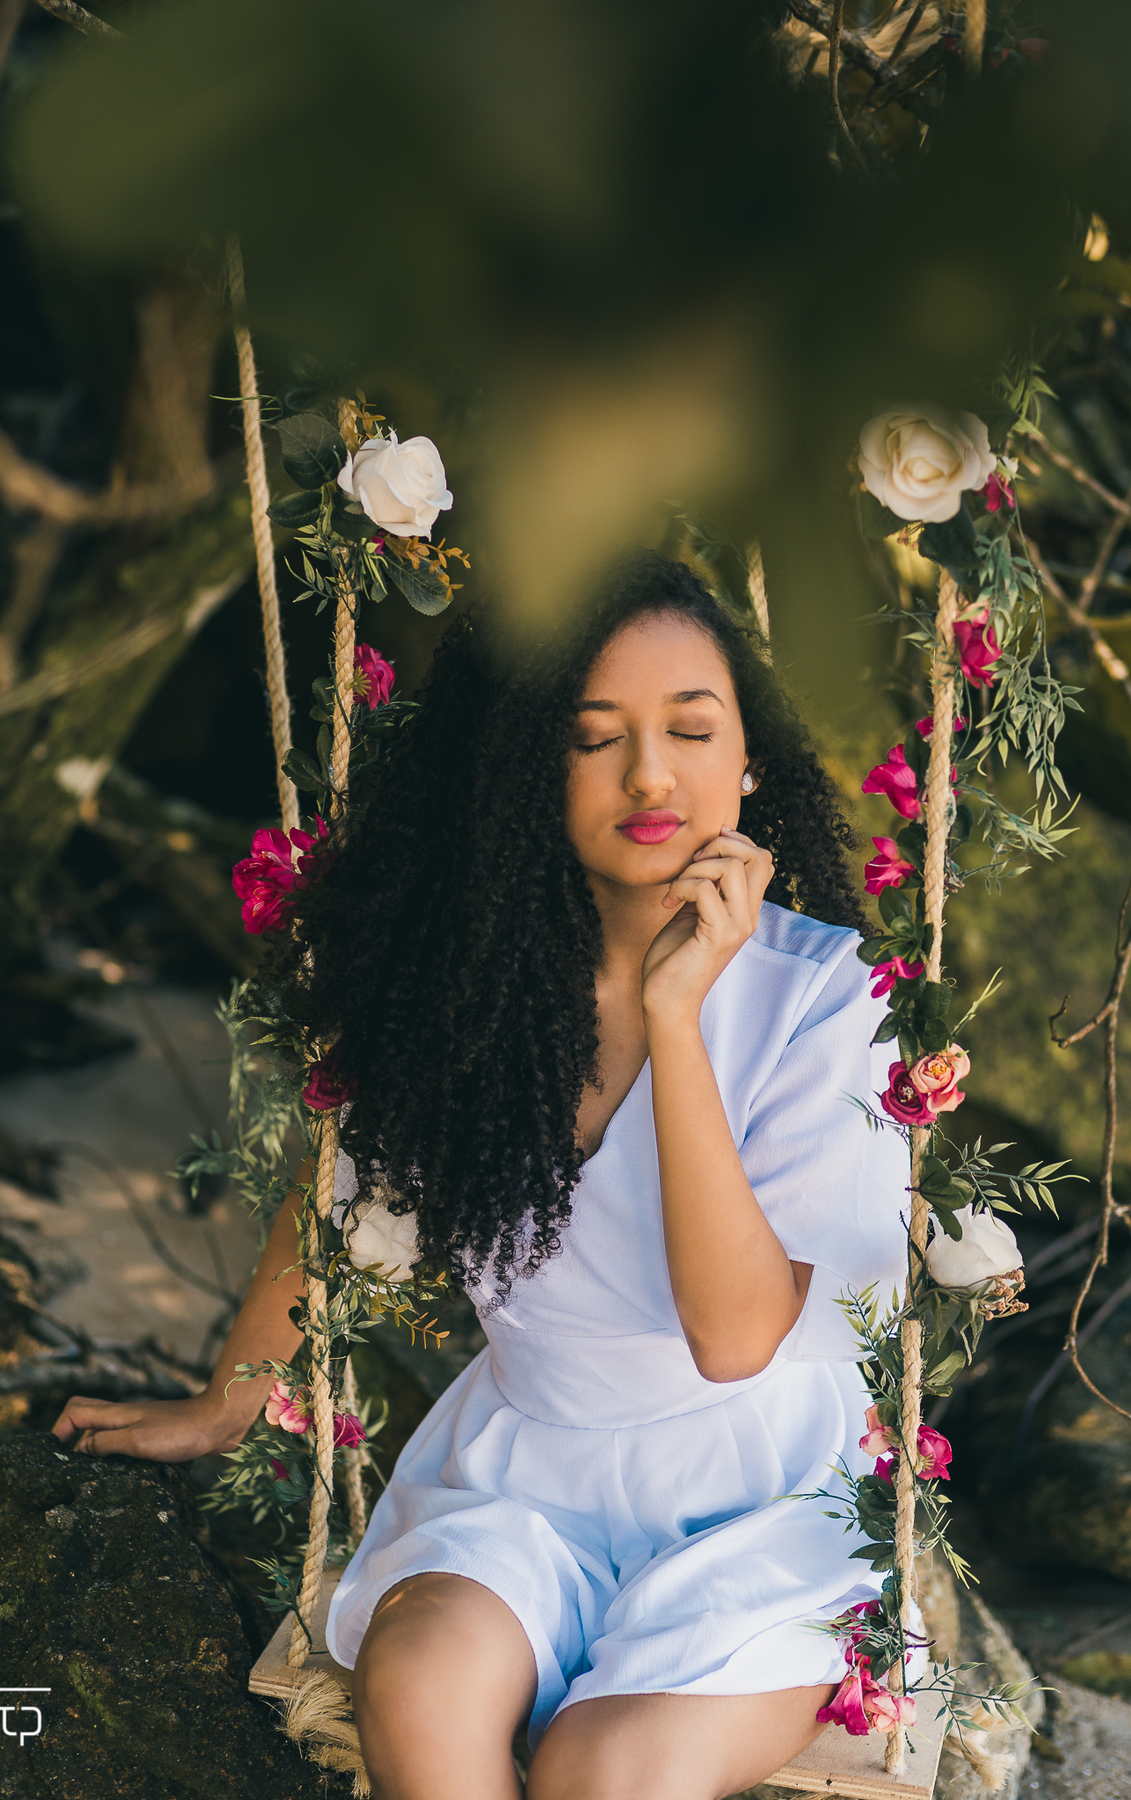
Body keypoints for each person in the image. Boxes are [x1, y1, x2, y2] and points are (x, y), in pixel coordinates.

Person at [54, 551, 910, 1800]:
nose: (652, 775)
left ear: (751, 763)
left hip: (758, 1507)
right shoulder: (464, 980)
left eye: (690, 729)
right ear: (524, 768)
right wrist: (235, 1394)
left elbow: (735, 1339)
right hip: (529, 1479)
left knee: (601, 1776)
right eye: (592, 736)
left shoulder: (827, 996)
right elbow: (335, 1174)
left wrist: (679, 1022)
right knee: (422, 1684)